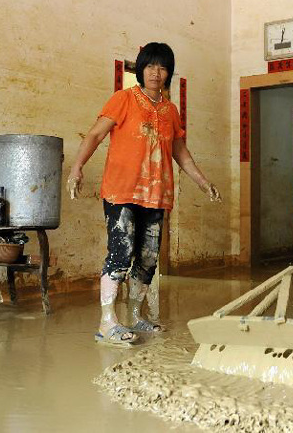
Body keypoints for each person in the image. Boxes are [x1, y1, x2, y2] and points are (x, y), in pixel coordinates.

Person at [68, 43, 221, 347]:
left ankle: (137, 314)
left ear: (169, 73)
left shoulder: (170, 111)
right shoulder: (124, 99)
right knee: (121, 253)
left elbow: (180, 152)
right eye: (150, 66)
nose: (155, 72)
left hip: (156, 194)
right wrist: (77, 168)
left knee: (149, 258)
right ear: (140, 69)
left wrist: (202, 181)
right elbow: (96, 134)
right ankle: (107, 321)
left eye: (162, 67)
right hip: (122, 190)